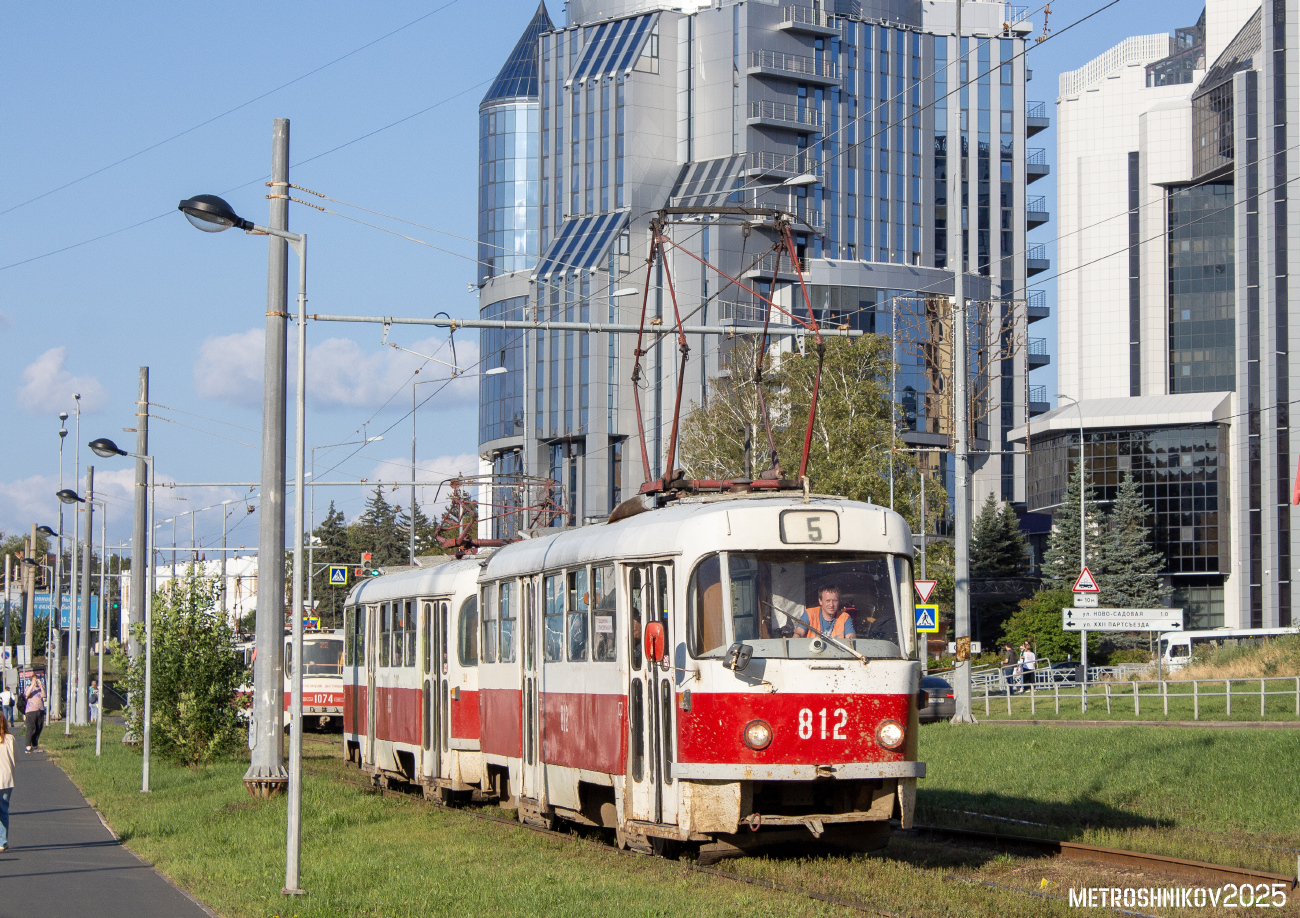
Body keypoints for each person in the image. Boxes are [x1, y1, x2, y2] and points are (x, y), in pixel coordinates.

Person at [22, 677, 45, 753]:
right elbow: (26, 695)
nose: (36, 682)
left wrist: (41, 686)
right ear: (31, 681)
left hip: (40, 710)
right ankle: (28, 746)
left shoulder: (40, 688)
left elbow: (44, 695)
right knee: (31, 728)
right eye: (34, 680)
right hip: (30, 711)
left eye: (37, 680)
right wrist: (32, 685)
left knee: (39, 728)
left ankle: (35, 744)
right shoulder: (28, 687)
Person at [0, 711, 12, 852]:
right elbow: (15, 759)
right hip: (7, 780)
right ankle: (2, 842)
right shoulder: (10, 739)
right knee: (3, 810)